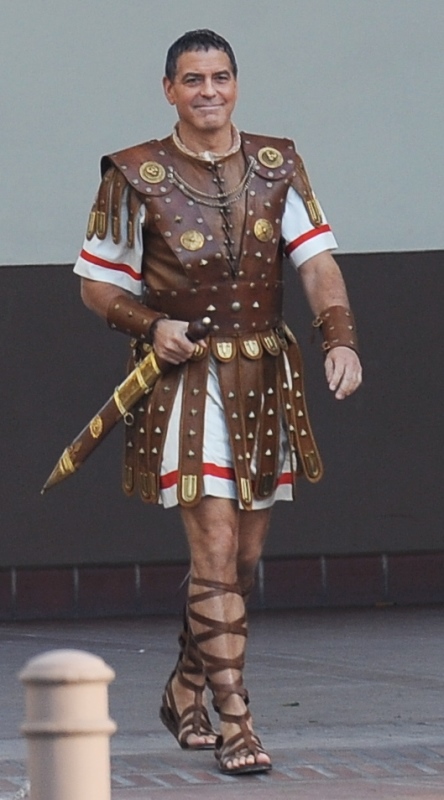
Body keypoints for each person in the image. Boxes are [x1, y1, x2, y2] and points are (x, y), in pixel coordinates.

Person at [73, 29, 362, 775]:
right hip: (187, 385)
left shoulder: (277, 162)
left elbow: (317, 264)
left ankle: (184, 688)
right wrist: (152, 325)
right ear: (169, 89)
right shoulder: (134, 173)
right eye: (194, 79)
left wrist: (340, 339)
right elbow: (97, 285)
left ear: (236, 83)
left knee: (245, 559)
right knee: (215, 549)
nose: (209, 91)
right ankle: (238, 724)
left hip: (264, 377)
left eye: (221, 77)